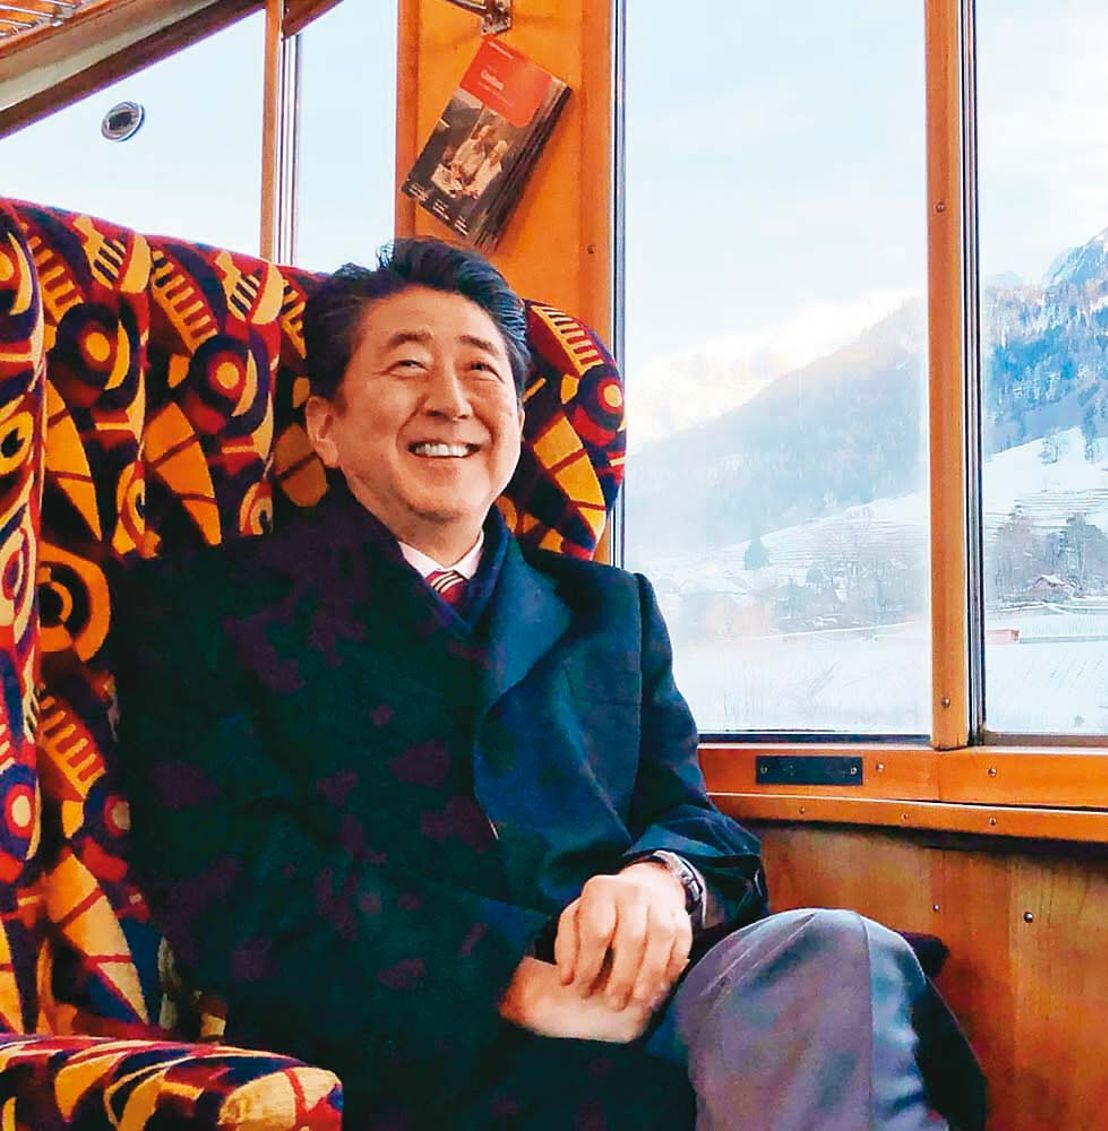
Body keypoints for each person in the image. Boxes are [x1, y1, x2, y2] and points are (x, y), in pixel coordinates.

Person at [111, 239, 984, 1130]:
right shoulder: (205, 612)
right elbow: (230, 880)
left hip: (649, 1015)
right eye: (407, 365)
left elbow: (698, 823)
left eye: (481, 369)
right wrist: (506, 980)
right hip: (398, 1049)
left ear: (518, 422)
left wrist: (661, 881)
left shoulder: (611, 610)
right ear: (326, 425)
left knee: (835, 952)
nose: (451, 400)